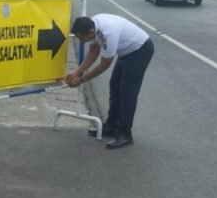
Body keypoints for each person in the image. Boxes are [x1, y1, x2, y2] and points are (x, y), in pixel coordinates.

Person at [65, 14, 154, 149]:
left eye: (80, 37)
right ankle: (111, 126)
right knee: (115, 86)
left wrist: (82, 79)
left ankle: (125, 134)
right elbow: (93, 52)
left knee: (127, 92)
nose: (80, 40)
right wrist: (77, 73)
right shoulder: (93, 25)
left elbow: (105, 64)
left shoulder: (108, 33)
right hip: (125, 52)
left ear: (90, 32)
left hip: (140, 51)